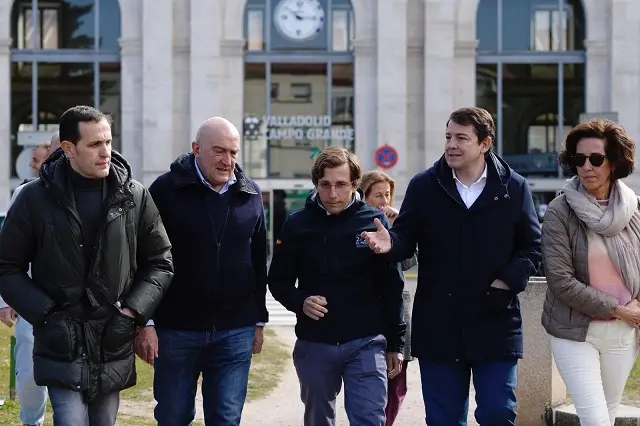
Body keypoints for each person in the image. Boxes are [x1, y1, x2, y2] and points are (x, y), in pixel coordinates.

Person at [361, 107, 542, 426]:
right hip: (439, 325)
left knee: (498, 412)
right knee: (443, 419)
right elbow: (405, 239)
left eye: (461, 138)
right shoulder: (424, 186)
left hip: (495, 321)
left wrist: (506, 282)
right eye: (448, 137)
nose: (451, 145)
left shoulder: (513, 188)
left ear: (485, 143)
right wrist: (391, 243)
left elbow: (532, 247)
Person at [0, 105, 174, 426]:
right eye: (95, 144)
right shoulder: (33, 199)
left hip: (112, 338)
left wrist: (132, 313)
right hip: (60, 339)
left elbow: (160, 262)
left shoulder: (134, 196)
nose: (105, 151)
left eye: (108, 142)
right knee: (71, 420)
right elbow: (6, 267)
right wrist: (46, 315)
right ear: (68, 149)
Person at [137, 117, 269, 426]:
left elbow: (258, 261)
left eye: (233, 152)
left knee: (226, 419)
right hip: (175, 330)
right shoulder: (165, 190)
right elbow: (141, 258)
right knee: (174, 417)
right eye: (219, 151)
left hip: (236, 331)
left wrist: (259, 320)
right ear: (196, 149)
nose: (228, 161)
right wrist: (146, 322)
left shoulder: (250, 194)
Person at [268, 147, 406, 426]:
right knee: (318, 420)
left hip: (367, 341)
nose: (332, 193)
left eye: (341, 184)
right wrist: (300, 301)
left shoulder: (374, 222)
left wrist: (396, 344)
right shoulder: (297, 224)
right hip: (315, 342)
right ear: (316, 184)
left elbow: (393, 286)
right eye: (325, 185)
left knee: (370, 419)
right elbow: (278, 281)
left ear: (355, 184)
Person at [541, 120, 640, 426]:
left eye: (596, 158)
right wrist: (619, 309)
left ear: (614, 162)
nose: (586, 166)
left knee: (607, 415)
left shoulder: (634, 209)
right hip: (575, 331)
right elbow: (561, 281)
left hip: (623, 333)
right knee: (595, 420)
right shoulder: (559, 211)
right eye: (579, 158)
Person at [0, 132, 59, 426]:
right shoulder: (24, 194)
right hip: (32, 300)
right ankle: (32, 420)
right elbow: (8, 253)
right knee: (29, 371)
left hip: (79, 304)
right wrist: (5, 300)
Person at [360, 171, 416, 426]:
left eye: (387, 195)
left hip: (398, 310)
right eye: (377, 195)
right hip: (369, 309)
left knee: (397, 382)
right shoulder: (356, 224)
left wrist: (397, 232)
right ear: (363, 196)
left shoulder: (397, 223)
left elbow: (408, 262)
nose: (384, 201)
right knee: (370, 383)